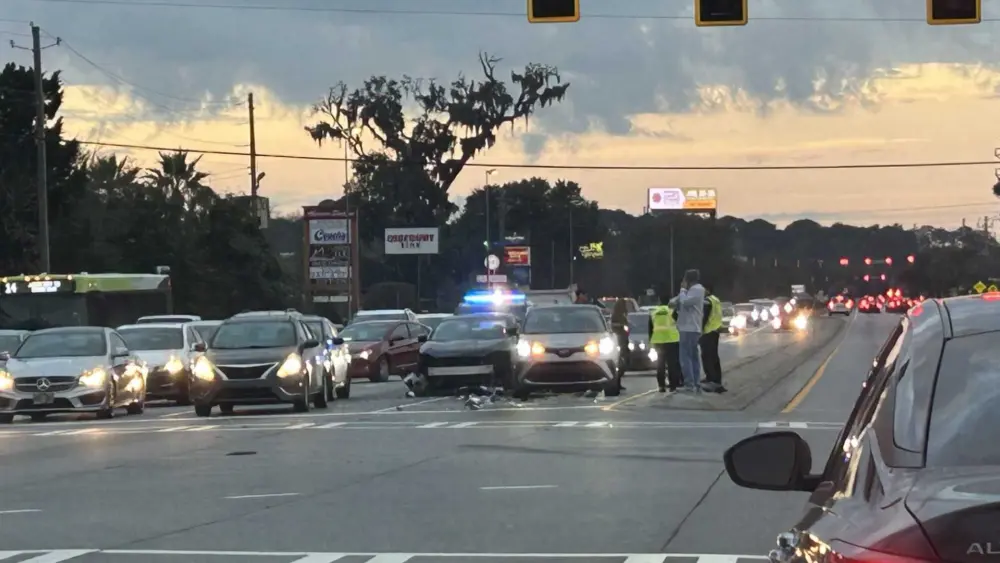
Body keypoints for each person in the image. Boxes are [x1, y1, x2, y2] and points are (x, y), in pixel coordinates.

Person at [670, 269, 705, 393]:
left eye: (684, 280)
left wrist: (683, 290)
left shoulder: (697, 290)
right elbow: (674, 302)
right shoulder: (693, 291)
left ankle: (689, 384)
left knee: (685, 357)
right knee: (693, 356)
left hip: (689, 328)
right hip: (691, 328)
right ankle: (696, 383)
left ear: (688, 280)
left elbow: (685, 301)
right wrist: (677, 299)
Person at [648, 294, 681, 392]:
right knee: (672, 364)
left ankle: (661, 386)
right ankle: (673, 385)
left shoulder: (653, 313)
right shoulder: (672, 312)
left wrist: (651, 341)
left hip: (658, 341)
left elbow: (650, 329)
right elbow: (679, 324)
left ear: (659, 301)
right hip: (672, 340)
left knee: (660, 364)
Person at [700, 283, 725, 393]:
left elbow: (704, 317)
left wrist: (699, 329)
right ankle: (717, 379)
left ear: (708, 290)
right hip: (715, 331)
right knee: (714, 356)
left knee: (706, 356)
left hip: (707, 332)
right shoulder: (716, 300)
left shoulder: (707, 301)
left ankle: (710, 379)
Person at [610, 299, 629, 391]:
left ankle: (618, 382)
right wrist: (622, 326)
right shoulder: (615, 316)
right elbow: (613, 326)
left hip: (624, 341)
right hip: (618, 341)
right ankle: (616, 382)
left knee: (624, 363)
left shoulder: (623, 316)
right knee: (620, 363)